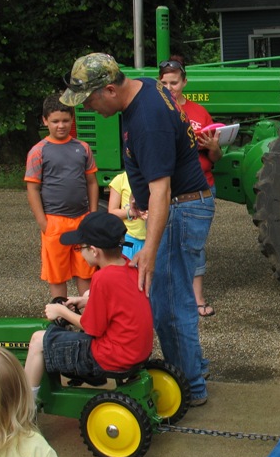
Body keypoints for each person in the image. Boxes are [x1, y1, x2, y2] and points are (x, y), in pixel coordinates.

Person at [60, 53, 214, 407]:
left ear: (110, 90)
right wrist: (140, 199)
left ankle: (191, 389)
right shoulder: (143, 88)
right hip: (178, 205)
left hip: (180, 208)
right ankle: (193, 372)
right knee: (170, 298)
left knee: (170, 305)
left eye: (89, 101)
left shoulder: (147, 119)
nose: (88, 109)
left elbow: (162, 190)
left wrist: (149, 250)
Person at [23, 211, 154, 397]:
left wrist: (60, 311)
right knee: (87, 294)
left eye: (79, 248)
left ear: (94, 251)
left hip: (112, 357)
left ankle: (27, 405)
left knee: (38, 340)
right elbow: (119, 302)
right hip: (138, 350)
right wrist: (85, 301)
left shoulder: (102, 278)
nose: (80, 253)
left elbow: (91, 328)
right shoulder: (129, 265)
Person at [159, 55, 222, 319]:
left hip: (200, 188)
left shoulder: (199, 112)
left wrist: (214, 146)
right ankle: (170, 298)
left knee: (194, 246)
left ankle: (197, 299)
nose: (169, 88)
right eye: (164, 83)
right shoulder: (157, 111)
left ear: (184, 82)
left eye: (174, 83)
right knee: (165, 245)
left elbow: (215, 158)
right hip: (168, 189)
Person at [25, 94, 99, 299]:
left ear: (72, 119)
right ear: (45, 120)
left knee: (86, 271)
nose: (61, 126)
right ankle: (60, 314)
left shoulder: (82, 147)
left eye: (65, 120)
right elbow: (32, 189)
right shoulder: (38, 151)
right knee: (57, 275)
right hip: (54, 221)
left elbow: (92, 182)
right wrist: (43, 222)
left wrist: (92, 215)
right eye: (55, 121)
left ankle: (88, 313)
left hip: (82, 219)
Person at [108, 171, 147, 259]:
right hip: (130, 238)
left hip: (153, 240)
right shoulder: (120, 179)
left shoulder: (154, 178)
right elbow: (112, 212)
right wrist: (134, 212)